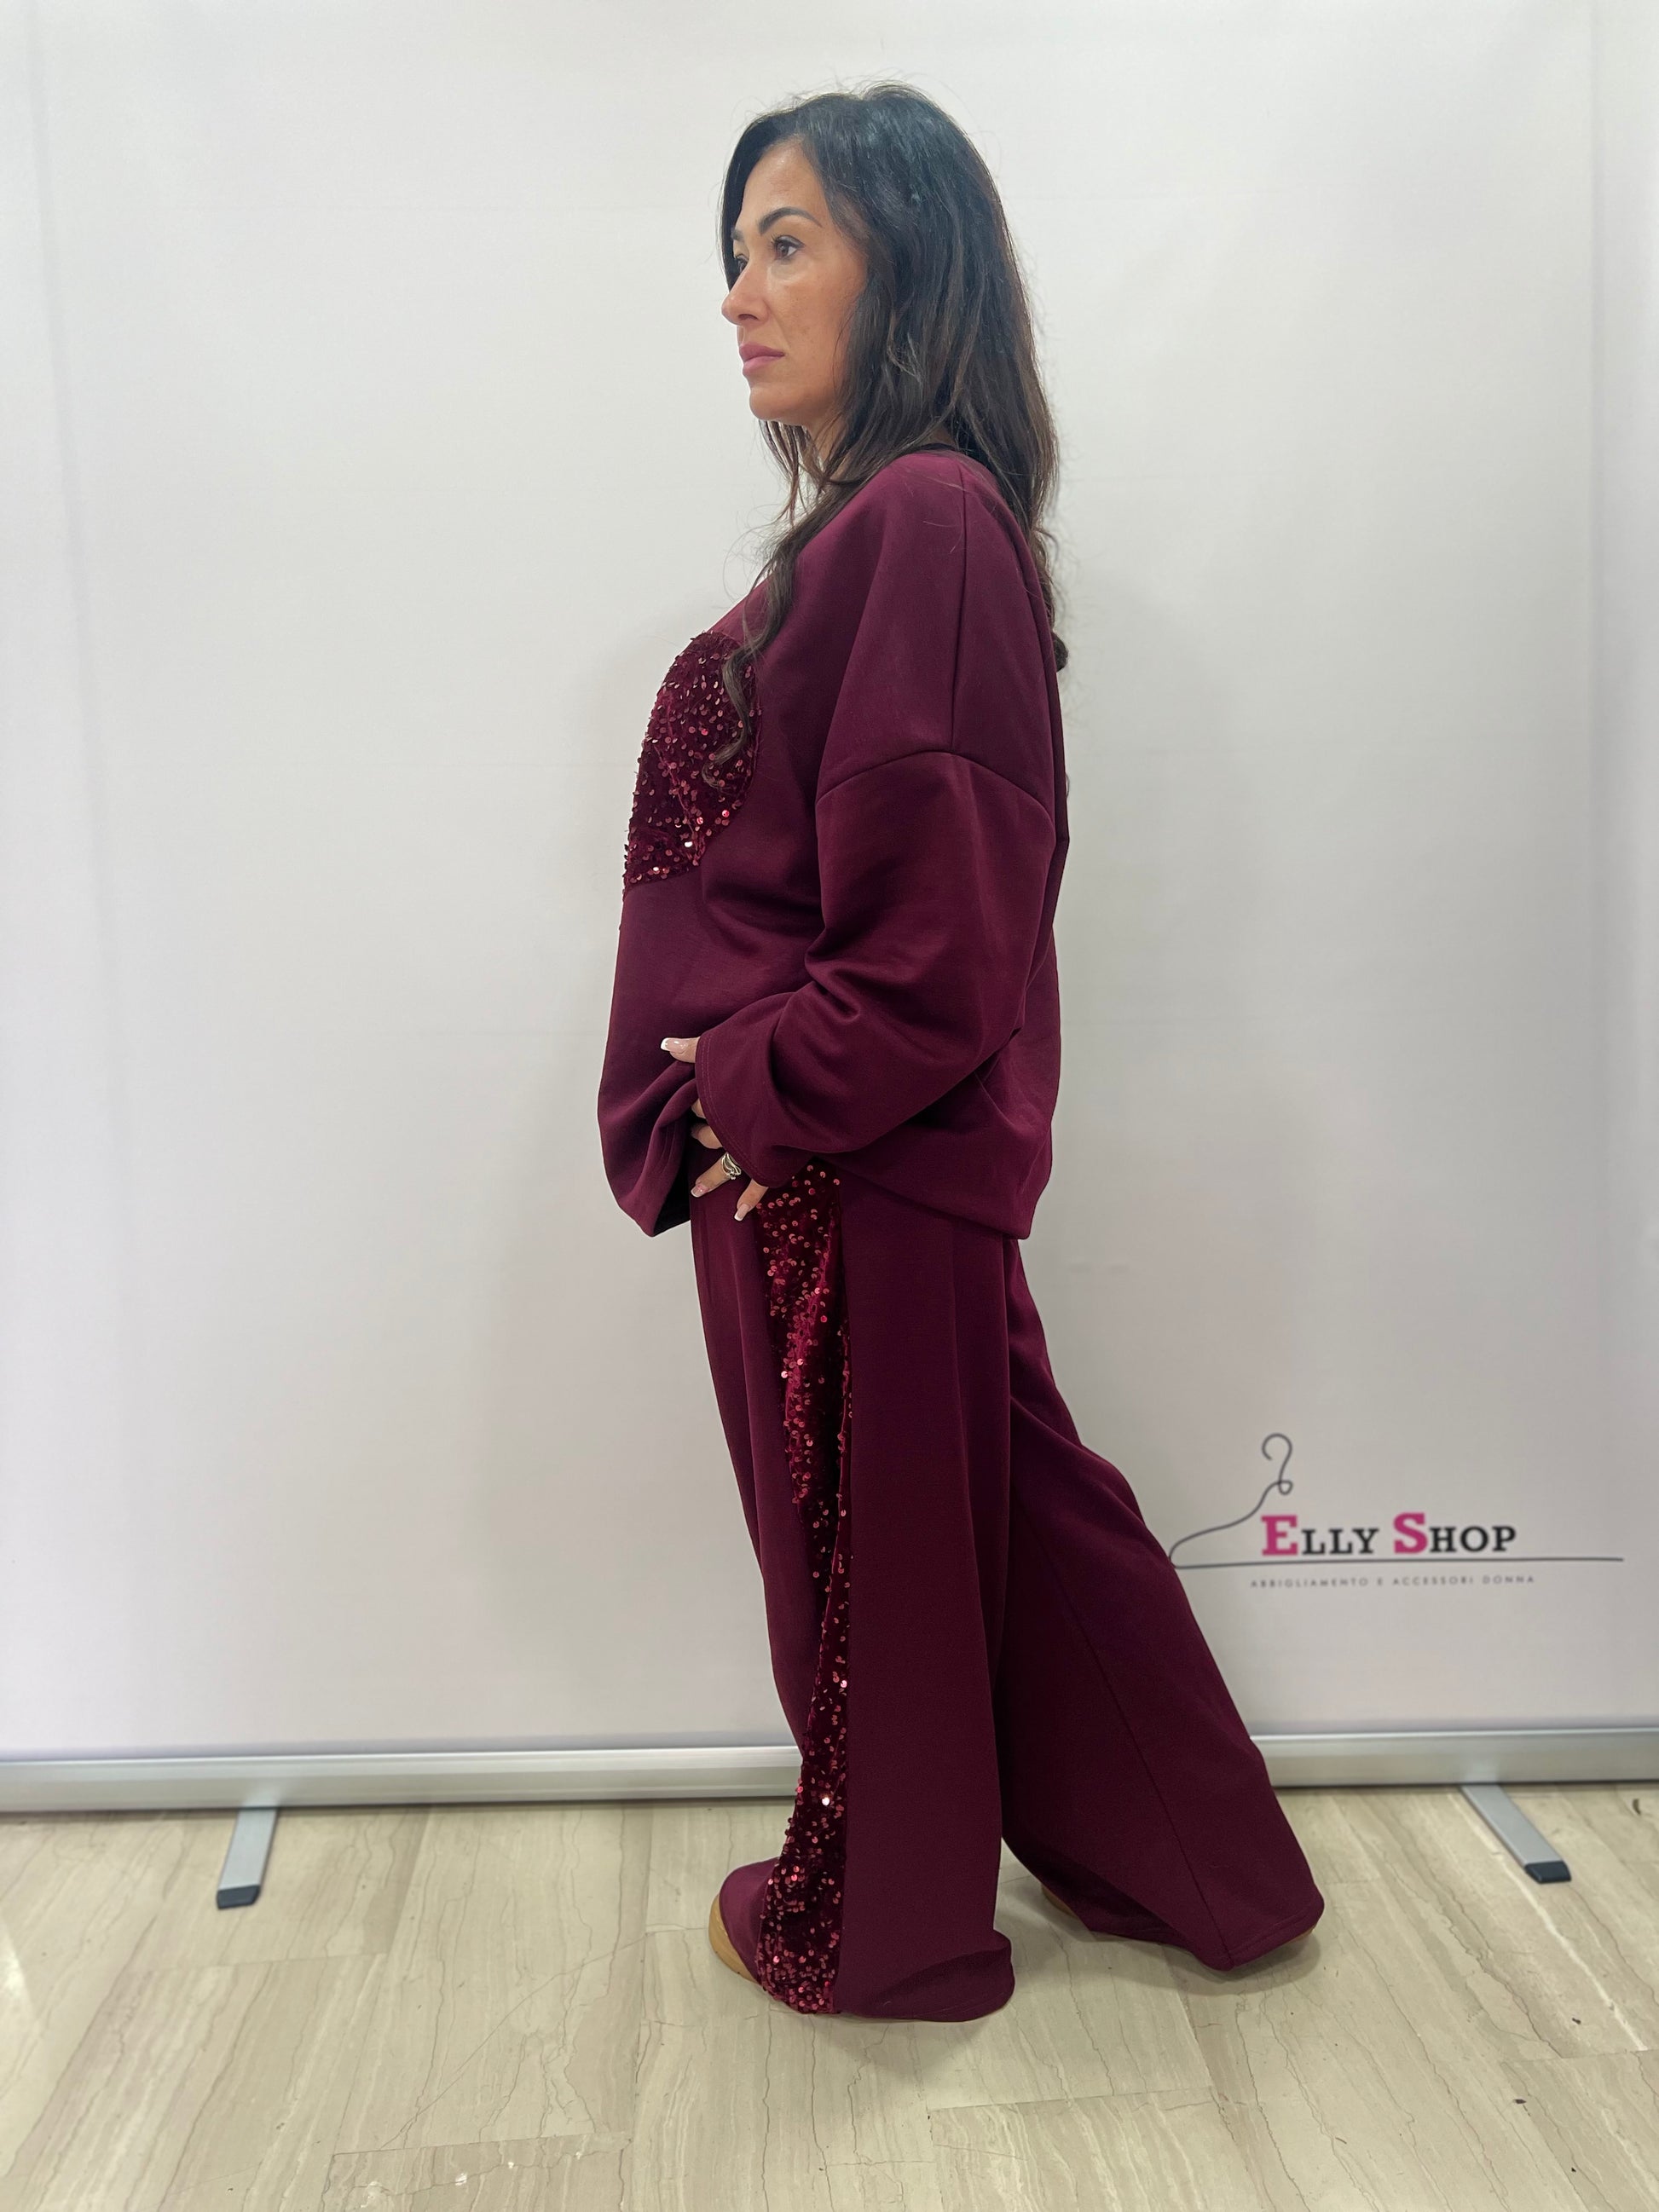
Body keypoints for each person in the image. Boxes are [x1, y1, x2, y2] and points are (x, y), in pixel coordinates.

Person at [597, 82, 1323, 2023]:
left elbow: (940, 944)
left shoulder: (919, 520)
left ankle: (889, 1929)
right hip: (847, 1154)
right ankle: (1213, 1874)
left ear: (905, 266)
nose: (738, 295)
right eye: (732, 253)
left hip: (840, 1155)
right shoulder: (878, 530)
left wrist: (746, 1091)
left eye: (786, 243)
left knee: (875, 1578)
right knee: (1006, 1527)